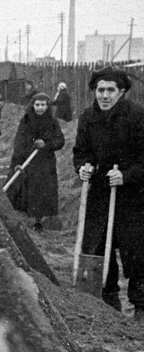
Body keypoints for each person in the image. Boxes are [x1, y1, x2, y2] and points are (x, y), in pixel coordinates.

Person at [73, 66, 144, 319]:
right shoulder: (87, 117)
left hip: (134, 195)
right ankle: (108, 298)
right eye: (100, 90)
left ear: (121, 92)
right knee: (99, 245)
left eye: (110, 90)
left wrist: (126, 176)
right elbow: (81, 151)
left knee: (136, 250)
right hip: (101, 192)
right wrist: (83, 167)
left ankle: (140, 305)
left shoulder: (137, 116)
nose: (104, 95)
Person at [8, 93, 65, 232]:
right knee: (28, 190)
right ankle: (27, 218)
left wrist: (45, 144)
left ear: (47, 106)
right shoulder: (26, 120)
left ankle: (39, 222)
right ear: (33, 105)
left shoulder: (52, 121)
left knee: (42, 191)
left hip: (45, 163)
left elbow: (60, 141)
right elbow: (19, 141)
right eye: (37, 105)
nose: (40, 108)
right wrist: (19, 160)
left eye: (43, 105)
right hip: (29, 161)